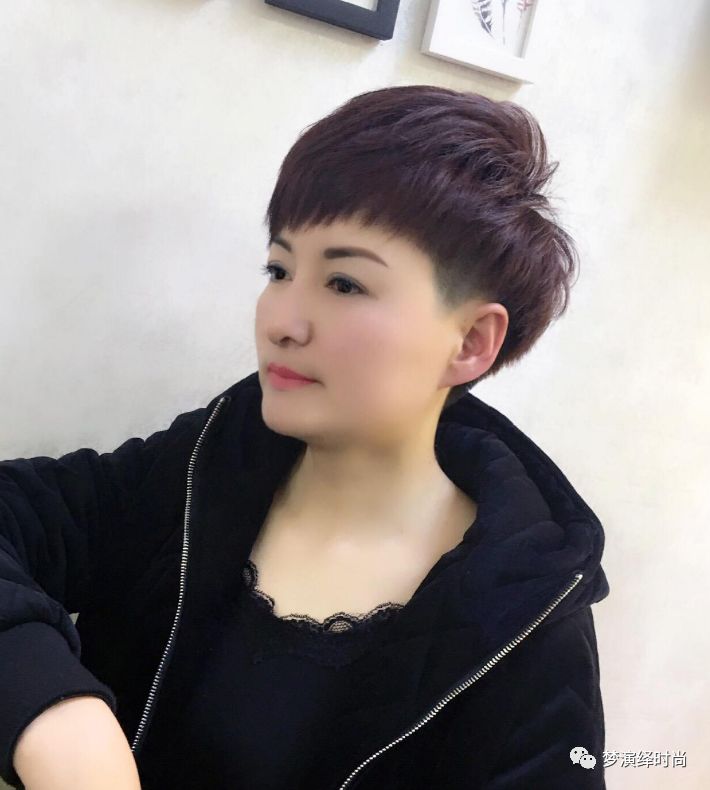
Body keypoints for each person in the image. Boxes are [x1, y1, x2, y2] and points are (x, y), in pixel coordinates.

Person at [0, 85, 609, 789]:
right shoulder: (200, 470)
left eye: (344, 284)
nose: (282, 321)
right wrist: (54, 711)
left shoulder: (527, 627)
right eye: (280, 270)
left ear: (471, 340)